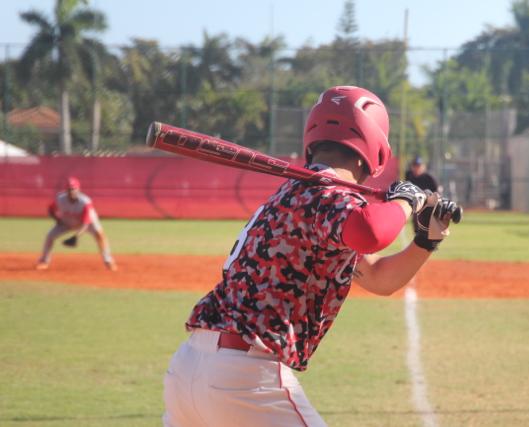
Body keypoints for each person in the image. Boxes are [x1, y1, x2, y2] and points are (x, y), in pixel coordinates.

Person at [162, 86, 458, 427]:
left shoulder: (301, 196)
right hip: (243, 379)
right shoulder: (325, 194)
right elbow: (372, 232)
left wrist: (428, 238)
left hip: (189, 372)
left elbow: (378, 278)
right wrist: (406, 199)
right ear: (373, 150)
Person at [35, 176, 117, 271]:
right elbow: (50, 209)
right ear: (66, 190)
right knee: (50, 236)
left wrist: (76, 236)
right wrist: (57, 219)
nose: (71, 191)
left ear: (78, 189)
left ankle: (108, 261)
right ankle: (44, 261)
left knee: (100, 235)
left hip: (88, 223)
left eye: (74, 189)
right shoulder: (60, 198)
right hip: (67, 222)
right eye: (69, 189)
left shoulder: (85, 202)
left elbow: (86, 223)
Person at [405, 155, 440, 232]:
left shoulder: (429, 178)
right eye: (414, 166)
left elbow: (436, 192)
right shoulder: (409, 175)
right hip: (416, 205)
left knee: (426, 226)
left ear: (423, 167)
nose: (416, 168)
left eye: (418, 166)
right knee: (416, 226)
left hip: (427, 205)